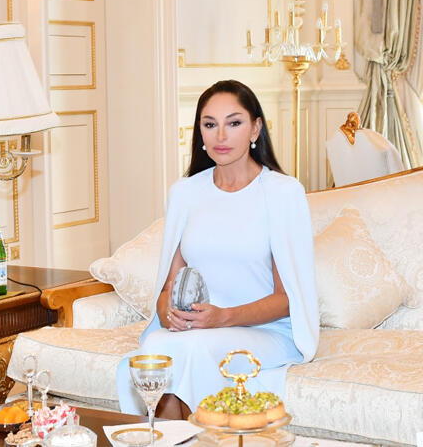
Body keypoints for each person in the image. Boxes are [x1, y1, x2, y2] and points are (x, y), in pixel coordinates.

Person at [117, 80, 319, 419]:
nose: (221, 136)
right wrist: (169, 313)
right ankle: (171, 439)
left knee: (192, 351)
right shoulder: (185, 192)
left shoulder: (283, 193)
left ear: (255, 128)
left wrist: (222, 317)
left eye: (234, 123)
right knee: (156, 348)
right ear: (200, 132)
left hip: (268, 332)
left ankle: (194, 437)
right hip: (198, 330)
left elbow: (288, 299)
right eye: (210, 125)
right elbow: (169, 288)